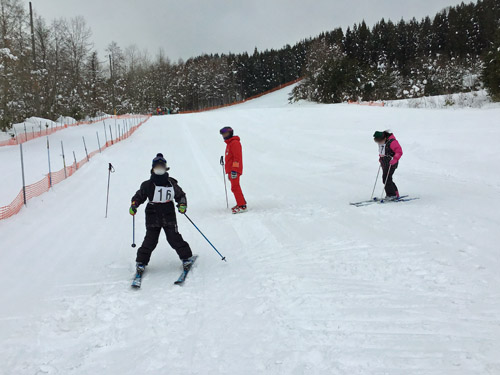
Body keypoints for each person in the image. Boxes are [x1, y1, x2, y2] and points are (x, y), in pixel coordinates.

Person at [129, 153, 194, 272]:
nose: (159, 169)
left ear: (165, 168)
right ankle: (141, 262)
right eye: (157, 167)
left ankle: (186, 257)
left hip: (168, 214)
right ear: (153, 169)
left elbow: (180, 195)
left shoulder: (171, 183)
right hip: (152, 215)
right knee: (150, 240)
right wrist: (134, 205)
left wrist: (182, 204)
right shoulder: (147, 185)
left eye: (161, 167)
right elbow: (139, 196)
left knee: (174, 238)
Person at [220, 126, 247, 214]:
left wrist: (234, 170)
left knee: (235, 187)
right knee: (235, 187)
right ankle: (240, 203)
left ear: (230, 133)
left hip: (234, 170)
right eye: (223, 134)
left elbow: (237, 158)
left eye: (226, 133)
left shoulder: (234, 143)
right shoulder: (229, 144)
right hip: (231, 170)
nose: (224, 135)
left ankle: (242, 206)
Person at [373, 131, 403, 199]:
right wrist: (380, 158)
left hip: (391, 163)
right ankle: (395, 193)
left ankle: (391, 195)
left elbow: (399, 151)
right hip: (384, 163)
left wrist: (395, 159)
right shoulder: (382, 142)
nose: (379, 143)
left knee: (386, 179)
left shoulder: (392, 142)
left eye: (380, 141)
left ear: (385, 138)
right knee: (387, 178)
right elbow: (382, 151)